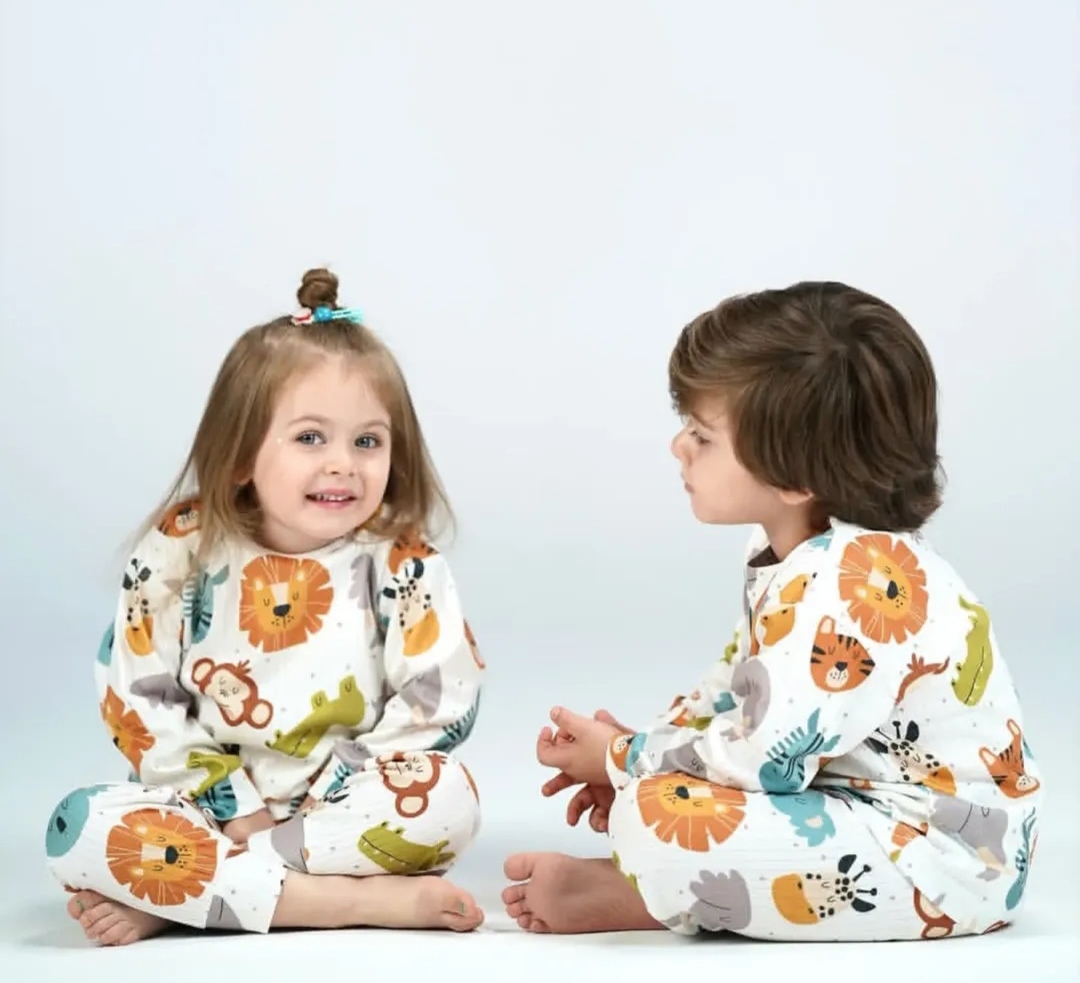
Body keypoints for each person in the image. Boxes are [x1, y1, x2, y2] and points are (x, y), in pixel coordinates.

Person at [501, 281, 1042, 941]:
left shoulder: (858, 584)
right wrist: (644, 749)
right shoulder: (791, 556)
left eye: (702, 436)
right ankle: (671, 884)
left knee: (653, 818)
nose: (678, 447)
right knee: (655, 800)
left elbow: (765, 759)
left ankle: (646, 894)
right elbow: (737, 692)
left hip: (948, 862)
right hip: (849, 804)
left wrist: (624, 757)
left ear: (794, 478)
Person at [47, 269, 486, 946]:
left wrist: (325, 799)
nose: (343, 464)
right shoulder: (183, 546)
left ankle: (195, 895)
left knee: (448, 797)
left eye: (368, 441)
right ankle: (347, 902)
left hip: (338, 811)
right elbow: (136, 695)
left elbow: (440, 700)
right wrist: (232, 807)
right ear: (240, 455)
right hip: (203, 808)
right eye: (310, 437)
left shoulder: (404, 563)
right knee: (77, 828)